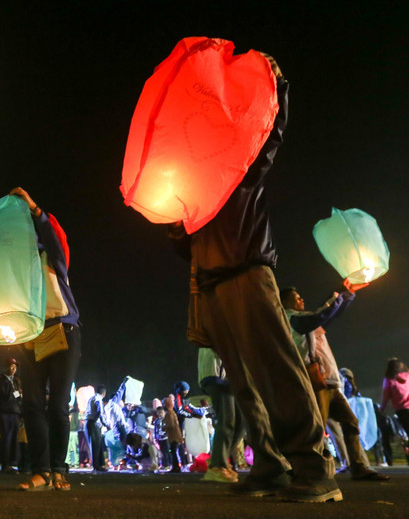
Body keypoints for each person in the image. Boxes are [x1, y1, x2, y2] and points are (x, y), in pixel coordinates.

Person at [169, 55, 341, 502]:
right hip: (210, 285)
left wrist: (279, 88)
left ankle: (313, 465)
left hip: (248, 273)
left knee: (278, 369)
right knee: (244, 382)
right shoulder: (191, 195)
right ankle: (269, 463)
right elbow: (183, 248)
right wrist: (172, 221)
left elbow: (270, 135)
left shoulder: (237, 172)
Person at [9, 188, 83, 492]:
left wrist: (35, 209)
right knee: (32, 404)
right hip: (31, 336)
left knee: (58, 406)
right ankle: (41, 470)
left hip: (63, 331)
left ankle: (58, 469)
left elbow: (51, 235)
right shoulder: (13, 266)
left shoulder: (52, 257)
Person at [282, 287, 388, 482]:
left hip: (329, 382)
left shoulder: (309, 324)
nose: (302, 299)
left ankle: (358, 466)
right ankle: (303, 469)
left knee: (350, 422)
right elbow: (322, 315)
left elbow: (328, 316)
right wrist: (337, 294)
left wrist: (346, 297)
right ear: (286, 303)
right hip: (315, 381)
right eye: (297, 298)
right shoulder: (293, 320)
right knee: (315, 428)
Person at [198, 347, 241, 483]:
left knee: (241, 421)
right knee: (227, 418)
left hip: (229, 373)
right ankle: (217, 466)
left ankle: (218, 457)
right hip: (217, 372)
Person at [0, 357, 23, 474]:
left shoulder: (16, 381)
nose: (14, 368)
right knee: (5, 437)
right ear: (6, 367)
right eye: (11, 366)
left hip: (14, 411)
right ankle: (4, 462)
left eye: (15, 366)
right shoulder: (0, 380)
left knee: (13, 437)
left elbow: (18, 397)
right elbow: (3, 396)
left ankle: (9, 462)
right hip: (3, 412)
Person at [85, 386, 108, 474]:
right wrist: (106, 424)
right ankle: (97, 465)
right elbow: (101, 413)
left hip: (87, 422)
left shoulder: (91, 398)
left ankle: (99, 464)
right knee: (96, 445)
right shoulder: (99, 399)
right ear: (104, 394)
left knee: (94, 444)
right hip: (93, 423)